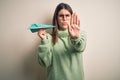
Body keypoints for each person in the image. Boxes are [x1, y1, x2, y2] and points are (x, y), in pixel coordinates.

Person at [37, 2, 86, 80]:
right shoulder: (49, 38)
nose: (64, 19)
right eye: (61, 16)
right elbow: (44, 63)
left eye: (67, 15)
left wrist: (75, 38)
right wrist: (44, 41)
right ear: (56, 18)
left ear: (71, 17)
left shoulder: (81, 34)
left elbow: (81, 47)